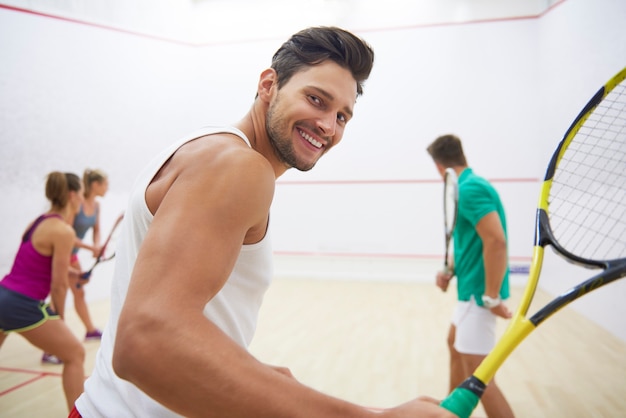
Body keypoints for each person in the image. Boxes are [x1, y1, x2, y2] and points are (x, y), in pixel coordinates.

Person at [73, 27, 454, 418]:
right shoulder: (239, 167)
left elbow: (170, 323)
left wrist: (257, 376)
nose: (328, 126)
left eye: (342, 115)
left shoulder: (208, 149)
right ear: (269, 83)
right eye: (316, 99)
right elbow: (147, 340)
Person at [426, 134, 515, 418]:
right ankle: (448, 413)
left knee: (481, 378)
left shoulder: (470, 189)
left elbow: (496, 241)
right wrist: (449, 270)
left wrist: (491, 297)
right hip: (471, 292)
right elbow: (472, 242)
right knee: (454, 344)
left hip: (479, 296)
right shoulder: (468, 185)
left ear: (440, 168)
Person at [0, 172, 86, 412]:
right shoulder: (63, 231)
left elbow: (34, 260)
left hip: (3, 294)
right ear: (71, 195)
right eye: (79, 193)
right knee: (75, 354)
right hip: (22, 304)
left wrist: (71, 271)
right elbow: (58, 285)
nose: (81, 199)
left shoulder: (38, 222)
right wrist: (59, 318)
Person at [42, 169, 109, 365]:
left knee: (78, 292)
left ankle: (89, 330)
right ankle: (49, 348)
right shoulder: (76, 205)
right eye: (105, 183)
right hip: (61, 253)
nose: (107, 188)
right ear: (95, 185)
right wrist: (90, 247)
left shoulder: (96, 206)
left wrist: (96, 245)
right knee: (57, 299)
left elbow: (96, 230)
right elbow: (66, 232)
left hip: (72, 255)